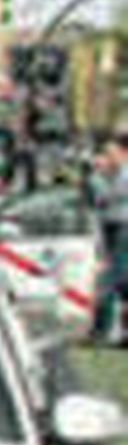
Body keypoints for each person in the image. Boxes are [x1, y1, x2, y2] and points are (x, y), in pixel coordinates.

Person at [91, 130, 128, 343]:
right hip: (108, 226)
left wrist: (104, 176)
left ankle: (101, 330)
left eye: (111, 153)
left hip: (123, 226)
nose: (107, 157)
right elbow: (97, 197)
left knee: (109, 279)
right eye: (105, 153)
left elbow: (111, 195)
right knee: (121, 281)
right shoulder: (104, 175)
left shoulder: (122, 174)